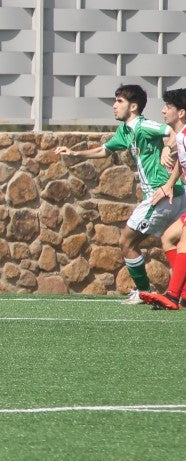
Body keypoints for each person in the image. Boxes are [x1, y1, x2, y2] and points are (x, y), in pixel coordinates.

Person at [56, 83, 184, 303]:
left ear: (133, 106)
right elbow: (103, 150)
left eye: (119, 101)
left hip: (163, 194)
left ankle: (145, 293)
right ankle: (176, 293)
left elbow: (174, 130)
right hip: (169, 194)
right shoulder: (125, 131)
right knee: (171, 241)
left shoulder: (143, 126)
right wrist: (74, 152)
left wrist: (166, 148)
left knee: (127, 241)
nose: (114, 106)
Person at [137, 88, 186, 310]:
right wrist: (168, 184)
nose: (163, 110)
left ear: (181, 112)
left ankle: (173, 296)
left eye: (168, 107)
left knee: (184, 242)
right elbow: (179, 159)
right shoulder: (181, 137)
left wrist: (170, 149)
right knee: (169, 238)